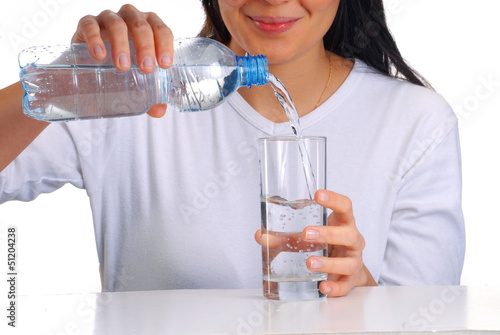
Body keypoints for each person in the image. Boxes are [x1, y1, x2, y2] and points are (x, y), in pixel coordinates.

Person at [0, 0, 465, 297]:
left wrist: (360, 288)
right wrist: (62, 83)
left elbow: (429, 321)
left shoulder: (416, 123)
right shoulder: (133, 89)